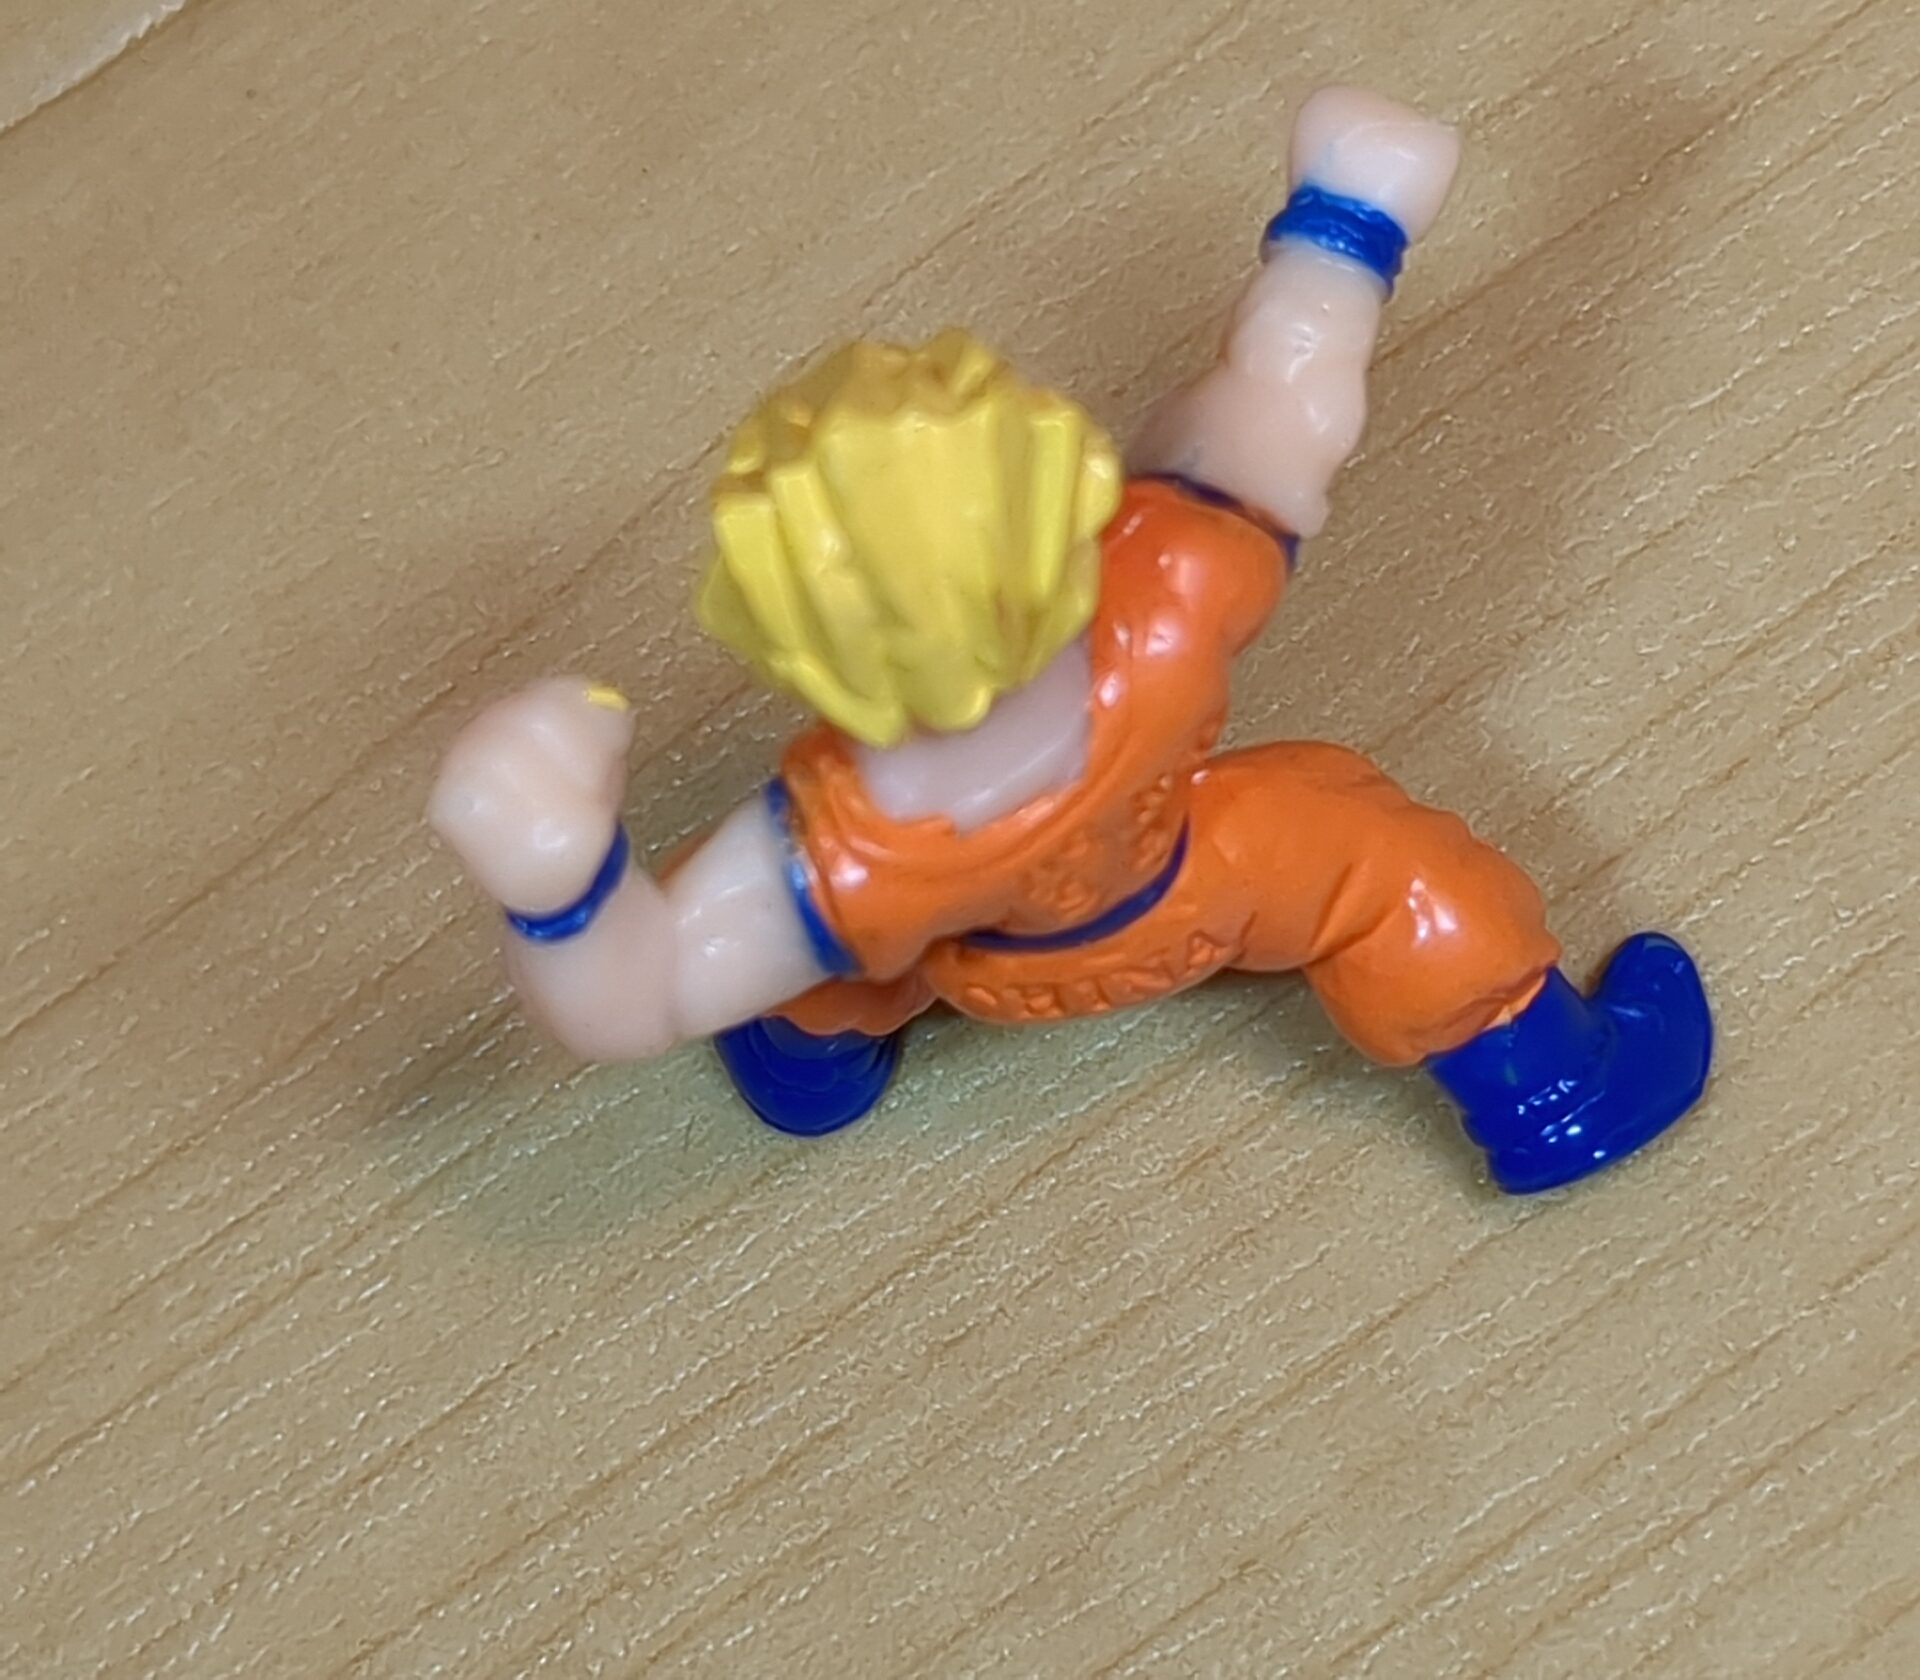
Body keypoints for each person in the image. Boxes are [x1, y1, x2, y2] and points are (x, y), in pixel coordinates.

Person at [429, 88, 1712, 1194]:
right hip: (1184, 896)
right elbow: (1278, 412)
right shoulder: (1161, 596)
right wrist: (1345, 225)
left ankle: (809, 1061)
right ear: (1067, 504)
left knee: (829, 970)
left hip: (972, 961)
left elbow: (641, 992)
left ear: (790, 632)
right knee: (1390, 868)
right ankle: (1558, 1090)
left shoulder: (838, 855)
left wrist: (558, 880)